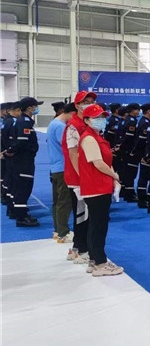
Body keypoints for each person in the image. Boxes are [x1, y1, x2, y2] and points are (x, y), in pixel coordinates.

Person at [78, 104, 123, 276]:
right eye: (97, 118)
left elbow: (105, 161)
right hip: (95, 187)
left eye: (103, 117)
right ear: (87, 120)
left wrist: (113, 177)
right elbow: (98, 163)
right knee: (99, 226)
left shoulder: (97, 137)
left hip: (100, 185)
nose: (101, 120)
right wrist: (115, 175)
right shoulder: (89, 138)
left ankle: (94, 260)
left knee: (96, 224)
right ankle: (100, 263)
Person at [63, 92, 97, 261]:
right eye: (85, 102)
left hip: (85, 176)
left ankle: (77, 247)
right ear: (77, 105)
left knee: (83, 214)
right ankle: (82, 250)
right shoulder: (74, 126)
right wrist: (83, 177)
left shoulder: (85, 123)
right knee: (82, 214)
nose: (89, 104)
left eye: (91, 101)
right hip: (79, 179)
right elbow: (72, 154)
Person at [7, 97, 44, 227]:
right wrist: (10, 151)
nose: (36, 109)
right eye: (35, 106)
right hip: (23, 160)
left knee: (23, 186)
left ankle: (20, 213)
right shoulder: (24, 122)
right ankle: (21, 217)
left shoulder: (24, 121)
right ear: (29, 108)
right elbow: (22, 142)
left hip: (24, 159)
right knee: (23, 187)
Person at [47, 101, 73, 241]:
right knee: (64, 201)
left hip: (55, 166)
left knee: (57, 201)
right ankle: (63, 232)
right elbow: (68, 146)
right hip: (63, 167)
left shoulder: (53, 123)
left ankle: (58, 230)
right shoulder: (61, 126)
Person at [134, 103, 150, 209]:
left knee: (146, 175)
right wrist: (143, 154)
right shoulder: (145, 123)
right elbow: (142, 140)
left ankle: (144, 198)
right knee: (144, 177)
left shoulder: (147, 121)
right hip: (143, 153)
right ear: (148, 111)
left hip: (145, 152)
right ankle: (142, 199)